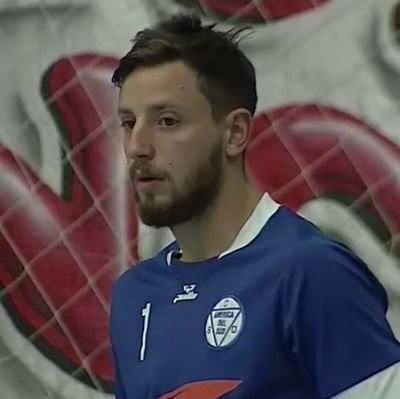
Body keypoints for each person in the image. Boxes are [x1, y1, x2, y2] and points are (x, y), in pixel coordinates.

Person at [109, 13, 400, 399]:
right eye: (129, 123)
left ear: (235, 133)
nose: (137, 147)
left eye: (167, 120)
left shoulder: (310, 274)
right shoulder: (134, 296)